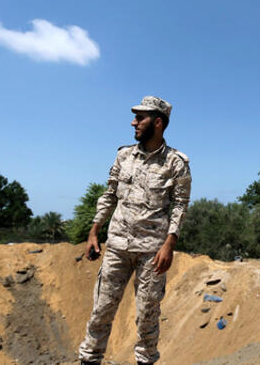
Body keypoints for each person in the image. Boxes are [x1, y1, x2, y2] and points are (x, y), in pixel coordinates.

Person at [79, 96, 191, 365]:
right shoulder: (124, 156)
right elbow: (109, 194)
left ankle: (145, 360)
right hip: (117, 247)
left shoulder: (176, 163)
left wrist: (169, 244)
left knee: (147, 318)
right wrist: (94, 230)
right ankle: (89, 360)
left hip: (152, 253)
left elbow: (180, 205)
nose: (133, 123)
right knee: (101, 311)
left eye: (140, 118)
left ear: (158, 122)